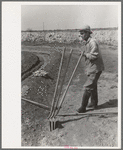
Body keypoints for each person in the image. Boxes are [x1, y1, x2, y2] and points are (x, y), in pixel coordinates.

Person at [77, 25, 104, 113]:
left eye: (82, 33)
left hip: (95, 68)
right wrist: (83, 52)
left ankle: (83, 107)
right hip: (91, 67)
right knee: (93, 86)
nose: (81, 35)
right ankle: (94, 103)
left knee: (88, 87)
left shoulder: (92, 42)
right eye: (80, 33)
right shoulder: (86, 42)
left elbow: (94, 56)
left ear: (88, 33)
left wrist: (84, 54)